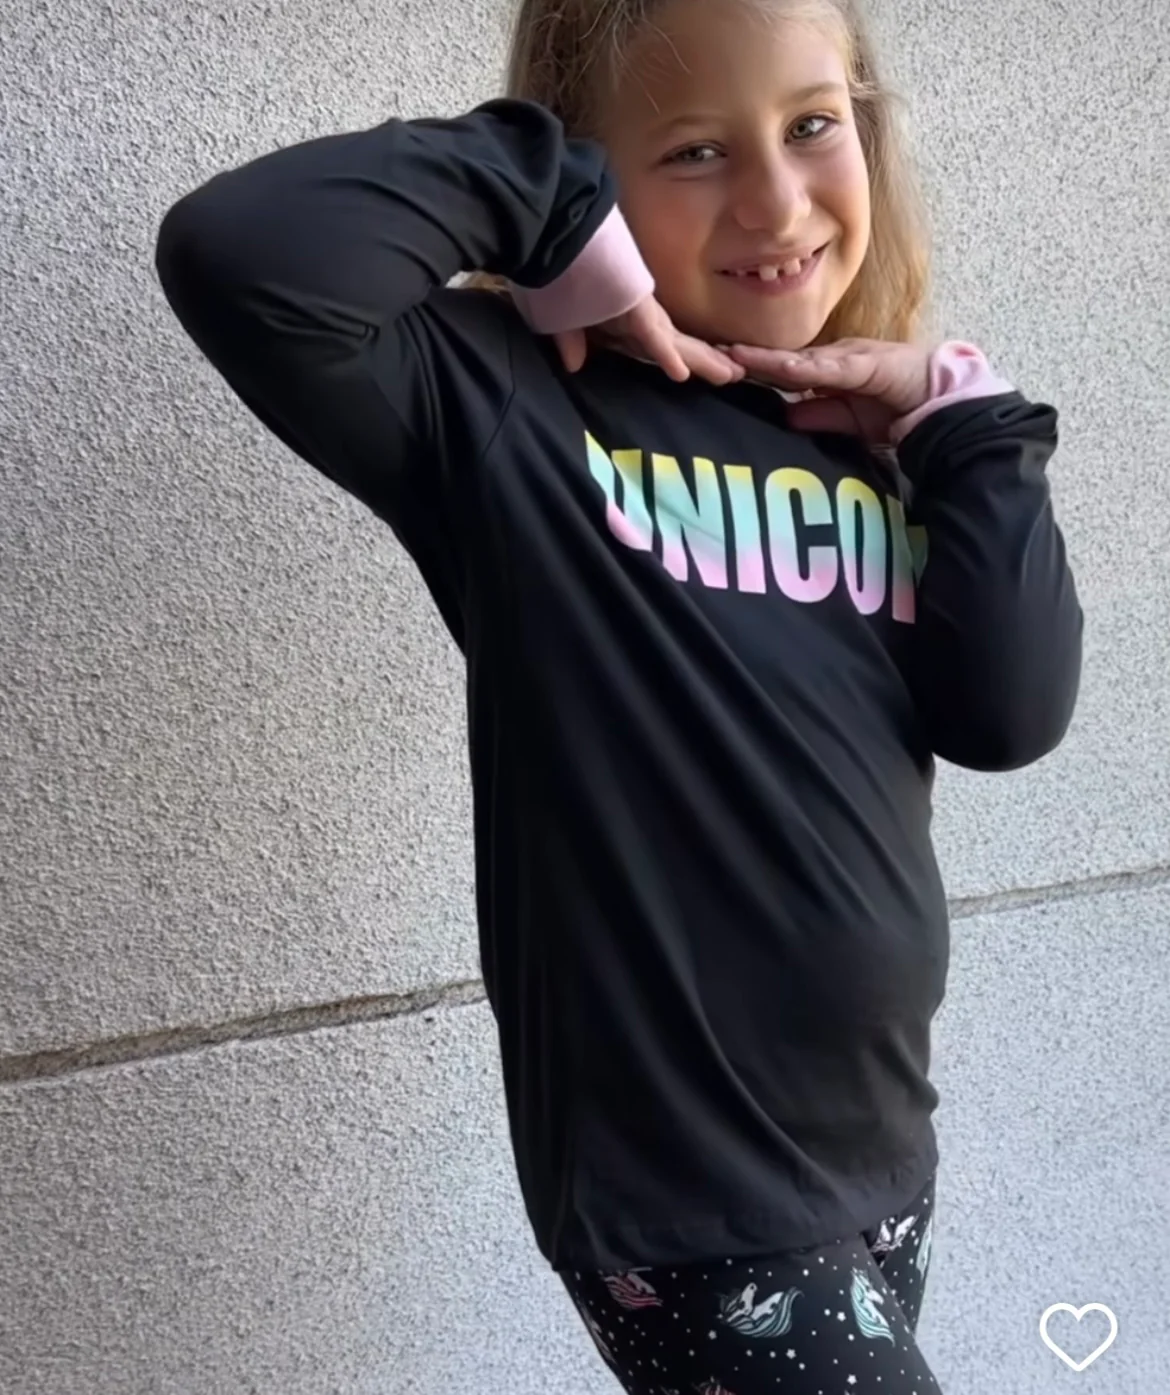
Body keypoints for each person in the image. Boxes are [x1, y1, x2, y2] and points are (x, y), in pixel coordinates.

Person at [155, 0, 1083, 1388]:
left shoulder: (868, 439)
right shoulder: (505, 404)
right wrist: (536, 194)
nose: (774, 202)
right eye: (696, 150)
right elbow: (238, 252)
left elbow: (1007, 716)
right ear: (593, 166)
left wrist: (968, 428)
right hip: (688, 1193)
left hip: (880, 1155)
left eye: (811, 125)